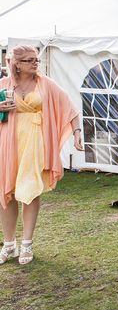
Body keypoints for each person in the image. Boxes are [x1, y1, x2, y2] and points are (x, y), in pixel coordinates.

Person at [0, 45, 83, 265]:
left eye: (36, 59)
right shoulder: (3, 85)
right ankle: (9, 244)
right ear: (16, 63)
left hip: (35, 142)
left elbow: (71, 108)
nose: (35, 63)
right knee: (6, 192)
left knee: (31, 188)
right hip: (8, 142)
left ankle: (27, 243)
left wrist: (77, 134)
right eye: (29, 60)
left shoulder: (46, 84)